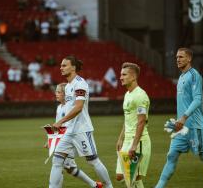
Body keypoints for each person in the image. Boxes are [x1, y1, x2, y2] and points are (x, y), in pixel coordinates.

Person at [155, 48, 203, 188]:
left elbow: (198, 99)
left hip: (194, 126)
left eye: (181, 57)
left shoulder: (194, 76)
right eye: (176, 57)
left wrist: (184, 117)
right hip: (181, 127)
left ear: (189, 59)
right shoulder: (181, 77)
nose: (178, 59)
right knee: (171, 155)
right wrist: (179, 120)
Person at [49, 56, 113, 188]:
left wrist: (60, 121)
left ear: (73, 67)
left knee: (93, 161)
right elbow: (68, 109)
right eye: (61, 65)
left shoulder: (80, 84)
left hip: (82, 130)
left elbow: (78, 107)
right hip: (68, 131)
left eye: (64, 65)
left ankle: (108, 186)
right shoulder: (67, 87)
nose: (61, 68)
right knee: (57, 161)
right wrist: (59, 132)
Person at [46, 83, 102, 187]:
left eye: (59, 92)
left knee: (59, 164)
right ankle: (95, 185)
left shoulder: (70, 108)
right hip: (63, 140)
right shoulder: (59, 108)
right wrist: (51, 139)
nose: (56, 94)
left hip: (70, 139)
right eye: (56, 92)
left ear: (65, 94)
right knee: (69, 168)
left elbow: (69, 125)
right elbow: (58, 125)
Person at [116, 62, 151, 188]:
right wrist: (121, 138)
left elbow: (141, 122)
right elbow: (128, 119)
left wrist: (134, 145)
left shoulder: (141, 96)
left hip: (138, 141)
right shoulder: (127, 94)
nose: (121, 77)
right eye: (121, 74)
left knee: (131, 177)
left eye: (124, 75)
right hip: (127, 140)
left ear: (133, 77)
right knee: (122, 176)